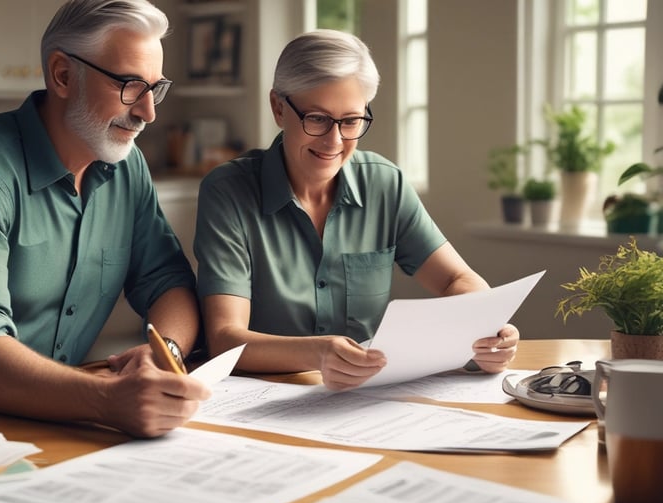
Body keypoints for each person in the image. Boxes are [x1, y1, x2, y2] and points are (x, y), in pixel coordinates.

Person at [0, 0, 210, 437]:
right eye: (130, 85)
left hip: (55, 418)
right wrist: (106, 399)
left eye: (154, 88)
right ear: (62, 74)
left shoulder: (128, 166)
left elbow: (168, 281)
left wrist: (164, 352)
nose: (148, 112)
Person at [194, 29, 520, 391]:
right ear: (278, 108)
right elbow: (225, 338)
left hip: (368, 400)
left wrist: (486, 328)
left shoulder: (385, 183)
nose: (334, 141)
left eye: (350, 121)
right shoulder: (227, 192)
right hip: (258, 401)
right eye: (317, 118)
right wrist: (318, 354)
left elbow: (455, 279)